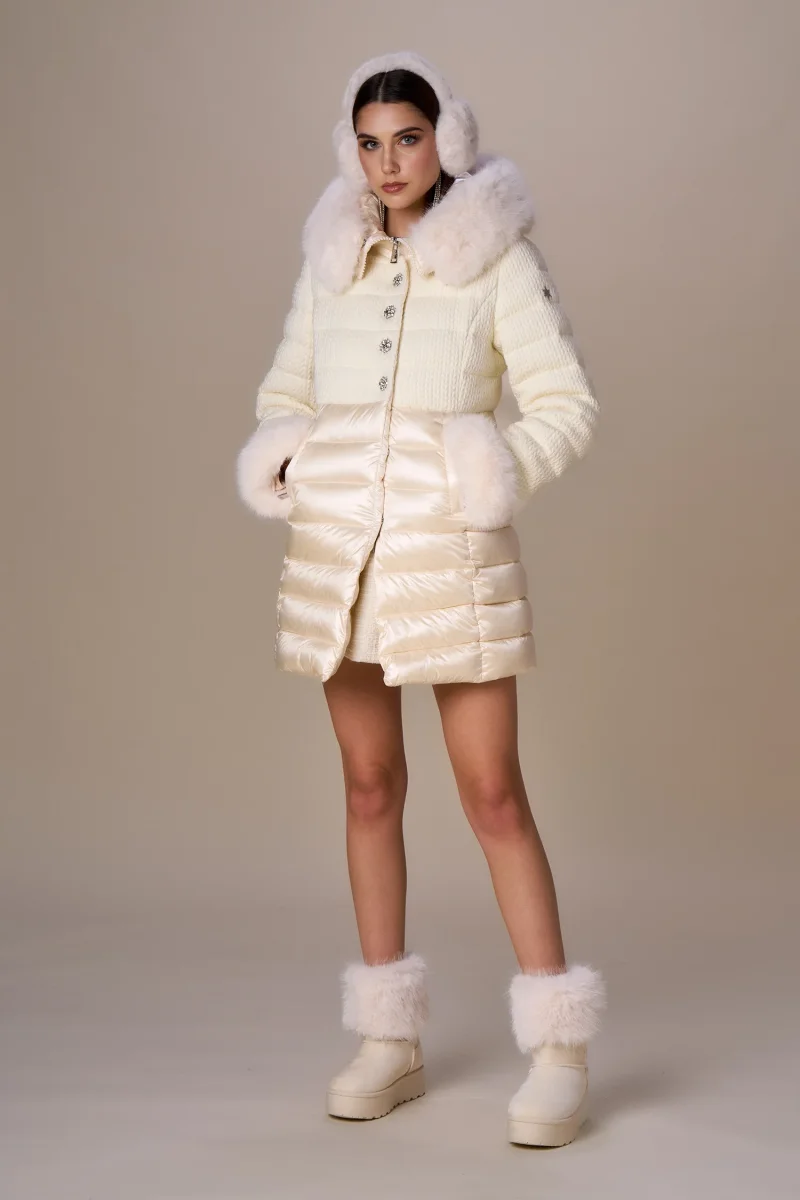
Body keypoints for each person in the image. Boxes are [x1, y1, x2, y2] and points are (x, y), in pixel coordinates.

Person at [237, 50, 607, 1148]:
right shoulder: (330, 260)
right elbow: (285, 388)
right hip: (341, 555)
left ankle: (559, 1053)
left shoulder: (497, 257)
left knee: (492, 794)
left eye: (407, 137)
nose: (389, 162)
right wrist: (293, 455)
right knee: (367, 788)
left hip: (448, 554)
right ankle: (388, 1039)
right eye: (370, 143)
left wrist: (484, 472)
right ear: (350, 152)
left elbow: (564, 403)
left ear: (446, 139)